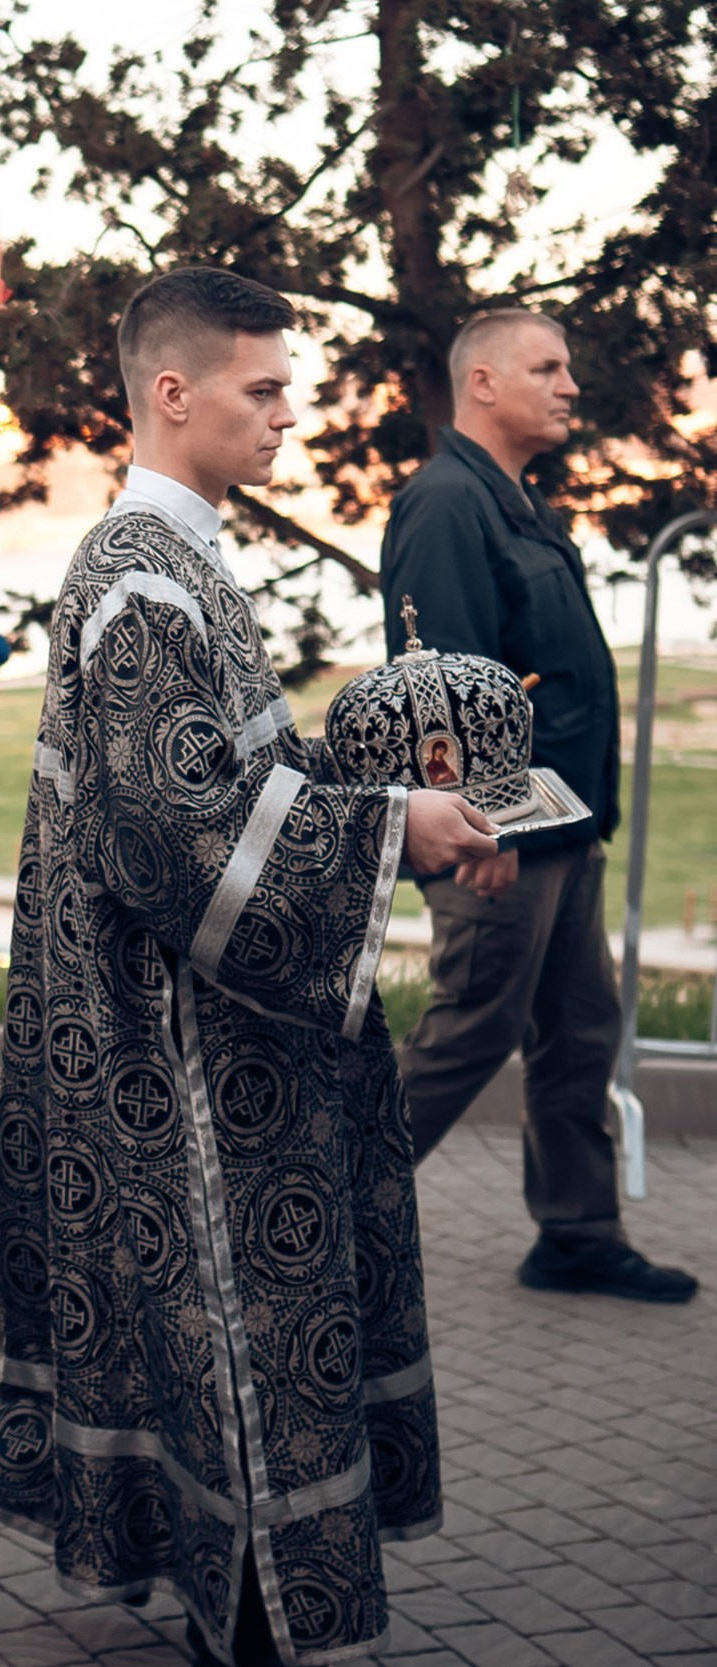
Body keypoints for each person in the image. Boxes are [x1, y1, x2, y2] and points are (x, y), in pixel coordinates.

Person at [0, 267, 500, 1667]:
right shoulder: (144, 577)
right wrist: (394, 828)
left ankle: (242, 1593)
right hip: (191, 1062)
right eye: (263, 390)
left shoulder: (182, 556)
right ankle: (255, 1608)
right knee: (240, 1337)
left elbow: (234, 778)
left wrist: (393, 802)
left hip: (218, 1041)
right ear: (173, 392)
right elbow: (178, 840)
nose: (286, 415)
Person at [379, 308, 697, 1304]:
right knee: (471, 1028)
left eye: (567, 368)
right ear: (481, 382)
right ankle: (308, 1201)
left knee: (576, 1032)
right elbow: (438, 686)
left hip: (562, 831)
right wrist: (485, 823)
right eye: (546, 367)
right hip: (502, 842)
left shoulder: (513, 500)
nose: (569, 386)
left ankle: (575, 1235)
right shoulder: (443, 506)